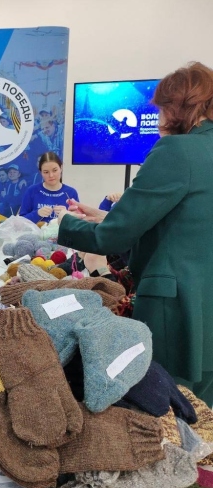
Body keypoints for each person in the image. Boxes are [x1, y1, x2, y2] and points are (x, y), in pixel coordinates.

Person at [56, 61, 213, 406]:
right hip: (205, 307)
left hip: (176, 310)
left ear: (178, 106)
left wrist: (63, 223)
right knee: (204, 415)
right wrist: (106, 216)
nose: (158, 119)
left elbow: (111, 239)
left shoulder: (177, 151)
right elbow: (185, 221)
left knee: (164, 411)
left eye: (161, 109)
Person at [20, 151, 79, 223]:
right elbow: (20, 221)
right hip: (36, 230)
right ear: (40, 172)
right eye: (46, 172)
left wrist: (67, 215)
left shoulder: (71, 193)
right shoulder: (32, 191)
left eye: (55, 170)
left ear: (61, 168)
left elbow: (78, 222)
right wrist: (37, 214)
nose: (51, 175)